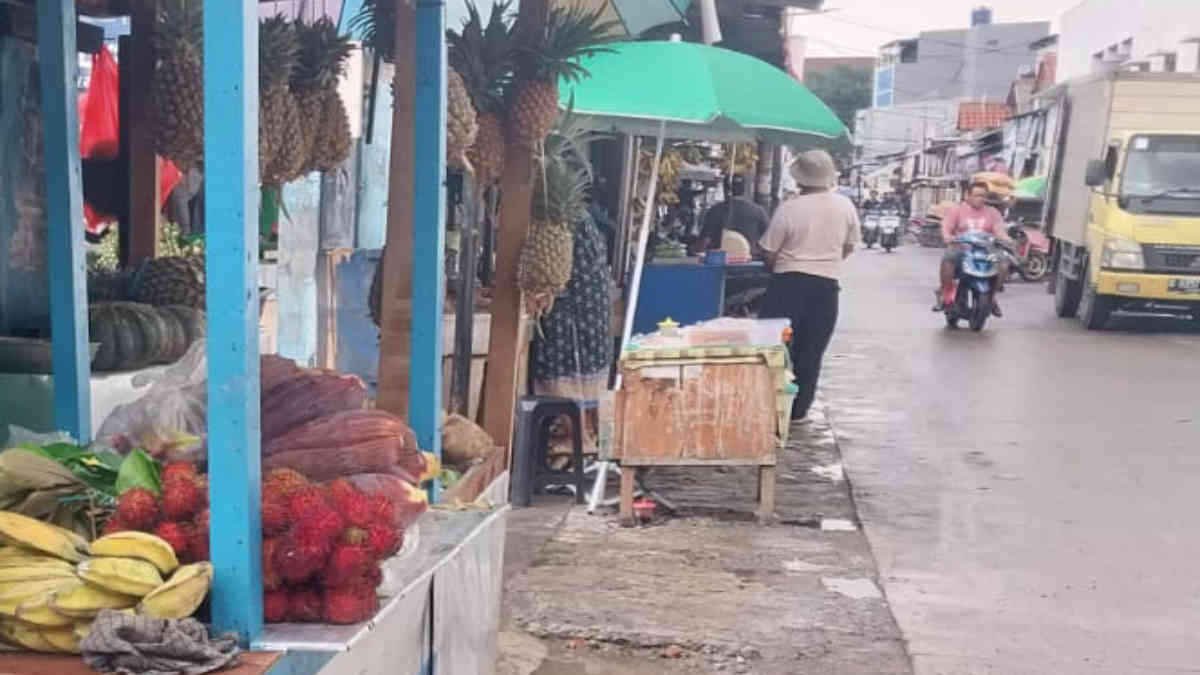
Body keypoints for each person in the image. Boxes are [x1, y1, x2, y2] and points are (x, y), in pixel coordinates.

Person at [758, 150, 861, 421]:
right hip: (826, 288)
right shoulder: (845, 206)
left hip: (787, 285)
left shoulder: (790, 207)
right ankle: (798, 410)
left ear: (799, 179)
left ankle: (771, 405)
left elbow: (769, 250)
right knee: (811, 351)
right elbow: (849, 246)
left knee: (774, 346)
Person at [935, 181, 1011, 315]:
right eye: (977, 195)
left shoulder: (992, 212)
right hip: (962, 248)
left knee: (1003, 262)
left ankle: (992, 296)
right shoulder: (956, 210)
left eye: (983, 196)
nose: (980, 199)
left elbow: (999, 230)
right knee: (949, 258)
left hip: (986, 250)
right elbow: (946, 226)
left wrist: (1006, 239)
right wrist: (947, 236)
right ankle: (945, 292)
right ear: (967, 195)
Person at [691, 174, 770, 257]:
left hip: (720, 262)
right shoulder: (759, 211)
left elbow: (704, 242)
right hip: (750, 263)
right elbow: (767, 241)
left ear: (725, 189)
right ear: (744, 189)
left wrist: (693, 249)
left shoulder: (716, 210)